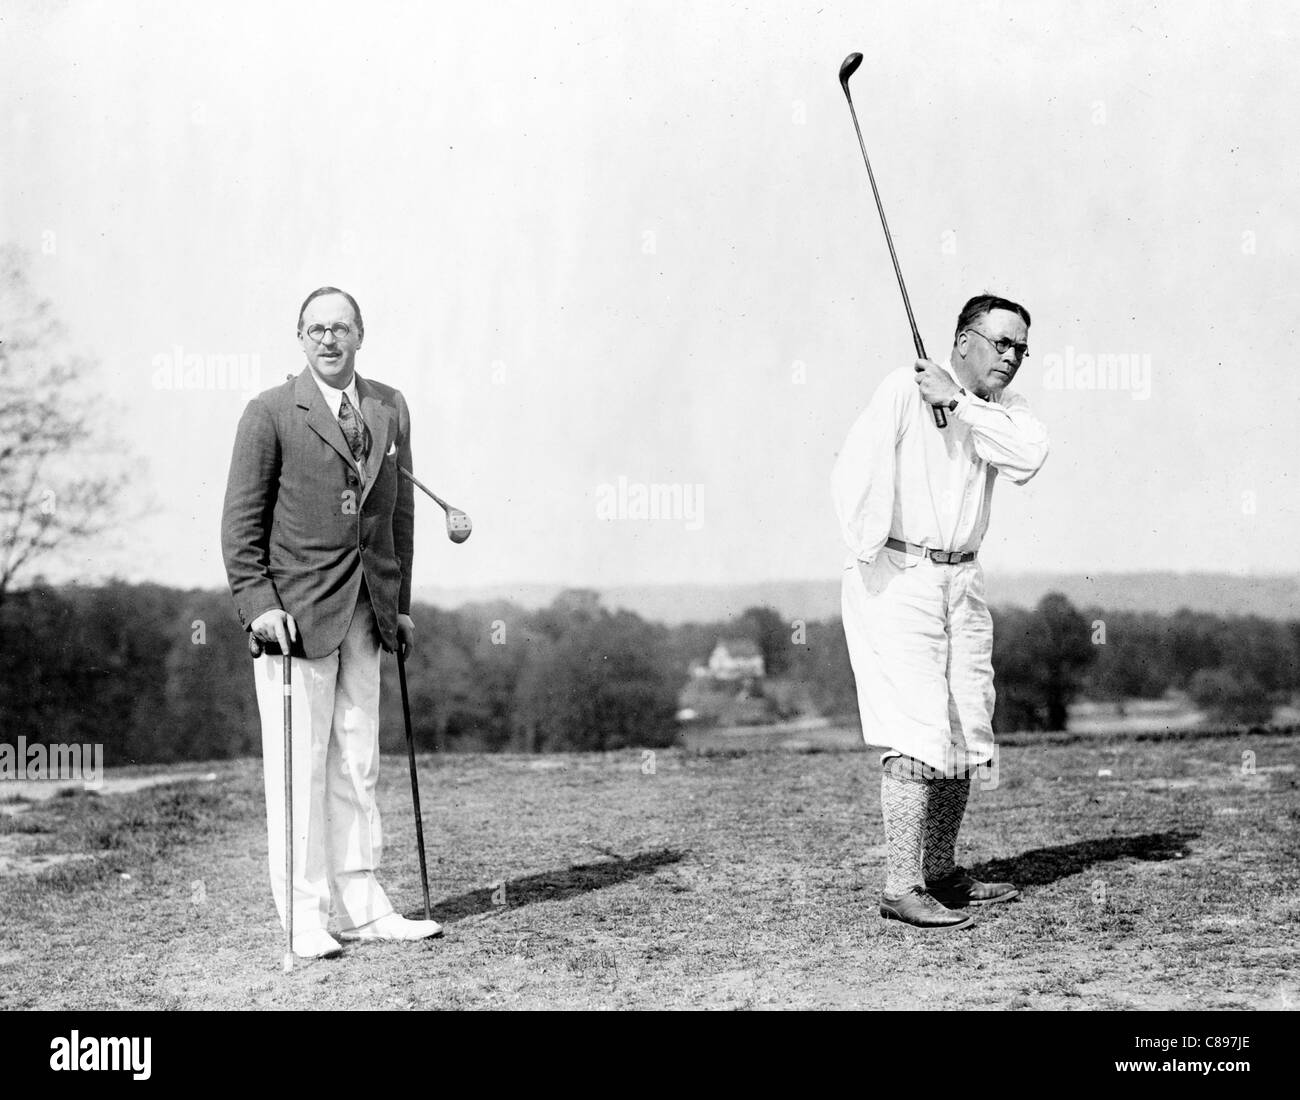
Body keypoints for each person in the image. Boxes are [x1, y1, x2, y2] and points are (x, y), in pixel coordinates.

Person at [221, 286, 441, 958]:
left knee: (358, 762)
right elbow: (240, 523)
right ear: (299, 337)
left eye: (340, 328)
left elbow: (397, 512)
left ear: (360, 335)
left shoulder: (388, 406)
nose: (328, 339)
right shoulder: (268, 413)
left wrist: (399, 604)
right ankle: (304, 915)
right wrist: (259, 607)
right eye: (315, 329)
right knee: (299, 769)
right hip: (296, 619)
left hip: (368, 613)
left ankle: (367, 905)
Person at [831, 294, 1049, 930]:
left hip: (963, 578)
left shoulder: (1004, 411)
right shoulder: (904, 387)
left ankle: (943, 872)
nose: (1010, 357)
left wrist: (958, 403)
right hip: (901, 578)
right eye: (1000, 342)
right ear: (961, 340)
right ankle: (901, 886)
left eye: (1020, 348)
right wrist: (876, 559)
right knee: (915, 729)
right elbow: (853, 474)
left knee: (963, 727)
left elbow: (1028, 458)